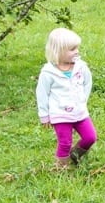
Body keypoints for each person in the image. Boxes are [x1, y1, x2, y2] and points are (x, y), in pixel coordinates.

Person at [36, 28, 96, 170]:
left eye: (77, 48)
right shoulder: (48, 72)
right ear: (58, 51)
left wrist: (83, 100)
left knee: (90, 137)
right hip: (60, 113)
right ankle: (62, 168)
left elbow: (87, 83)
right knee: (65, 142)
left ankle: (74, 156)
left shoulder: (81, 67)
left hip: (80, 111)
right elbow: (42, 93)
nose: (76, 51)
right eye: (72, 49)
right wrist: (44, 115)